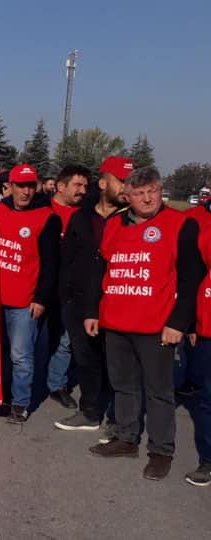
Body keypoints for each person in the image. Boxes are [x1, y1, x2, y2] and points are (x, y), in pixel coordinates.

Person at [84, 167, 203, 481]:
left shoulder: (180, 224)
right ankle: (125, 438)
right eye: (140, 193)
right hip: (116, 321)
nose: (148, 198)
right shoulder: (114, 224)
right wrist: (92, 311)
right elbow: (100, 271)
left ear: (160, 189)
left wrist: (179, 322)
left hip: (156, 325)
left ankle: (161, 450)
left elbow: (191, 278)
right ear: (127, 196)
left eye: (152, 190)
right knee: (122, 385)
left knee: (159, 391)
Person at [53, 158, 130, 434]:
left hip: (116, 302)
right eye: (121, 180)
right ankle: (89, 412)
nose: (126, 187)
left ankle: (118, 419)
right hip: (78, 302)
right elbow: (67, 259)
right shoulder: (81, 216)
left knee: (117, 365)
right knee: (86, 360)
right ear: (104, 183)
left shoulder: (131, 219)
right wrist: (66, 298)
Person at [0, 164, 62, 423]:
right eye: (20, 185)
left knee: (21, 355)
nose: (25, 191)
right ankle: (0, 395)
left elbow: (51, 263)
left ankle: (20, 403)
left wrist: (41, 298)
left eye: (30, 186)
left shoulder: (46, 217)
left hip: (24, 301)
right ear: (9, 186)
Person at [41, 165, 90, 411]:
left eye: (85, 186)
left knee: (64, 340)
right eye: (77, 185)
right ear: (60, 186)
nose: (83, 191)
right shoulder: (42, 209)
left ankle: (56, 385)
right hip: (39, 287)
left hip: (69, 290)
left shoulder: (85, 215)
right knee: (34, 340)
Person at [182, 194, 211, 486]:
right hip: (207, 326)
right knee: (207, 398)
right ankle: (208, 460)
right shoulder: (200, 224)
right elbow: (193, 275)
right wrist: (191, 321)